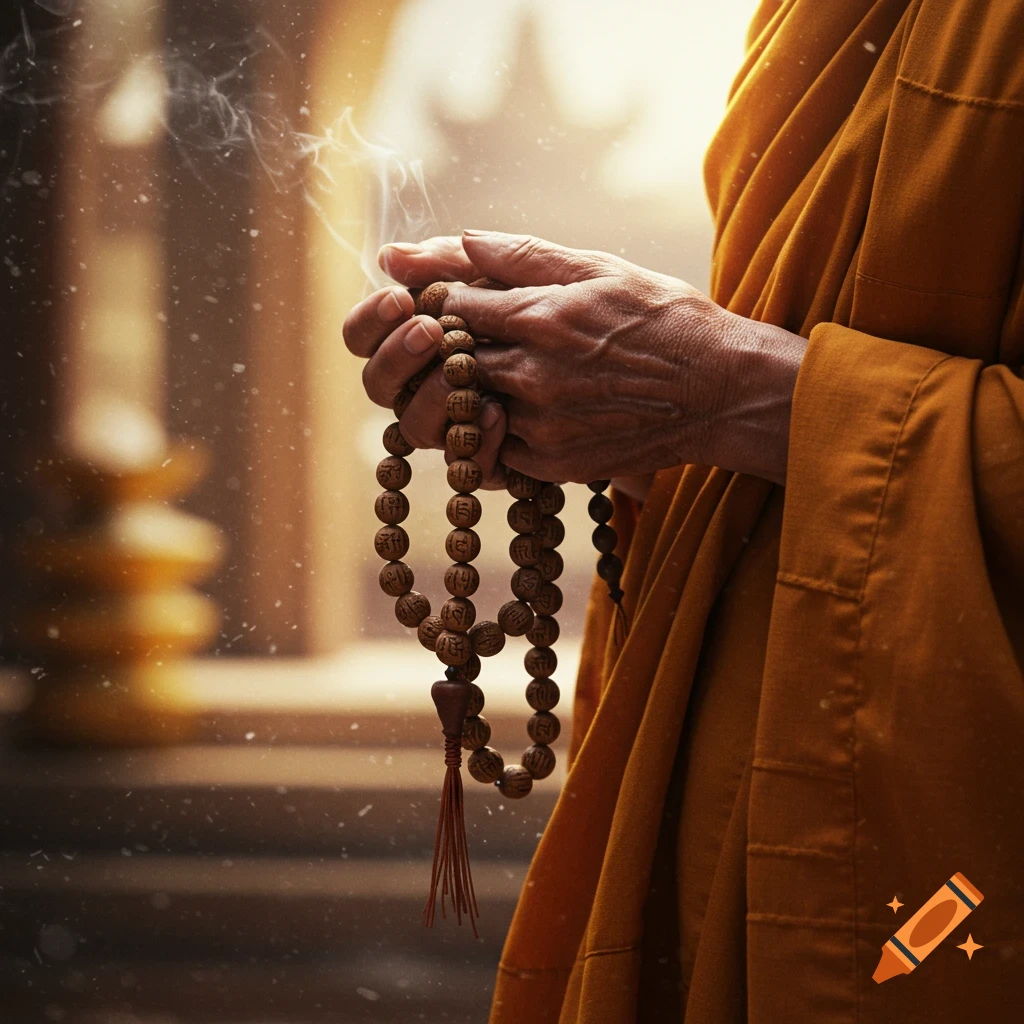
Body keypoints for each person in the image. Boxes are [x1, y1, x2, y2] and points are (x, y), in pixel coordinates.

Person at [343, 1, 1024, 1020]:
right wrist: (623, 418)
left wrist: (734, 389)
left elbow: (801, 421)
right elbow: (820, 487)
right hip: (756, 800)